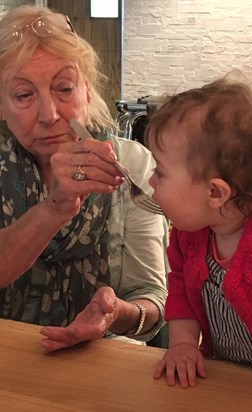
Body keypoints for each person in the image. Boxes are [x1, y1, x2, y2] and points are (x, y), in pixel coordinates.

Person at [0, 5, 168, 351]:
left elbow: (152, 303)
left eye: (64, 88)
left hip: (104, 358)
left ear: (87, 90)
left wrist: (117, 314)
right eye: (23, 95)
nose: (49, 115)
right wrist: (54, 209)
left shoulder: (130, 164)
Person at [144, 73, 252, 412]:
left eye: (160, 172)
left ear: (215, 192)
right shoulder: (190, 235)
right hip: (232, 383)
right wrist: (183, 344)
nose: (150, 180)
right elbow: (180, 291)